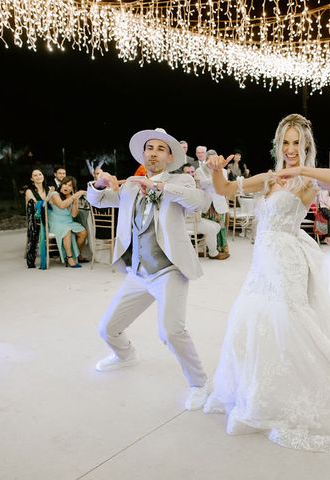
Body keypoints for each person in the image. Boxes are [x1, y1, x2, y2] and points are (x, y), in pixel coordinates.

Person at [203, 113, 330, 452]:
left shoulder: (307, 182)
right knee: (253, 320)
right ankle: (261, 395)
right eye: (286, 142)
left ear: (305, 146)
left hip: (287, 261)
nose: (291, 149)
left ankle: (302, 396)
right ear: (278, 144)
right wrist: (215, 169)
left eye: (297, 143)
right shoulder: (267, 179)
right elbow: (223, 189)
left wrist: (302, 170)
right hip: (261, 263)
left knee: (289, 324)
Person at [86, 127, 210, 411]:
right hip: (138, 272)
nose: (153, 153)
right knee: (107, 329)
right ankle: (125, 355)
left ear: (169, 157)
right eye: (149, 148)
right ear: (143, 154)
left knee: (170, 331)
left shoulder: (180, 181)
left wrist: (160, 187)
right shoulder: (130, 185)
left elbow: (199, 202)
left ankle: (200, 384)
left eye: (160, 149)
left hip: (169, 270)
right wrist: (101, 185)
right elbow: (98, 201)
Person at [182, 164, 223, 259]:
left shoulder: (196, 187)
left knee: (217, 226)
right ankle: (213, 253)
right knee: (212, 229)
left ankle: (200, 248)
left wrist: (200, 188)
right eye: (187, 172)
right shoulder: (183, 189)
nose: (191, 175)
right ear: (182, 174)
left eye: (192, 172)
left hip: (197, 219)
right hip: (186, 221)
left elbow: (204, 209)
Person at [196, 149, 230, 258]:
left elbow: (224, 184)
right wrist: (214, 176)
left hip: (219, 201)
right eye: (211, 159)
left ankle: (222, 249)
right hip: (207, 203)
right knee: (208, 228)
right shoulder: (200, 170)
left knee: (221, 226)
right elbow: (201, 184)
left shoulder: (223, 171)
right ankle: (208, 249)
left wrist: (216, 174)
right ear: (207, 160)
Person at [47, 176, 87, 268]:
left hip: (68, 221)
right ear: (61, 184)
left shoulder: (71, 197)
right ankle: (69, 258)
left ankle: (77, 254)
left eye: (70, 186)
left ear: (72, 188)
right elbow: (61, 205)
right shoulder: (54, 194)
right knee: (66, 230)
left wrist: (75, 200)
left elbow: (73, 214)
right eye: (64, 184)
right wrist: (74, 196)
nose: (66, 187)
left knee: (83, 232)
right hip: (56, 222)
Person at [23, 168, 49, 269]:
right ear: (31, 179)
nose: (38, 177)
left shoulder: (47, 189)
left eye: (40, 174)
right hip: (34, 218)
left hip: (47, 216)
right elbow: (37, 205)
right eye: (35, 175)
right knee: (36, 228)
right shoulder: (29, 191)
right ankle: (31, 259)